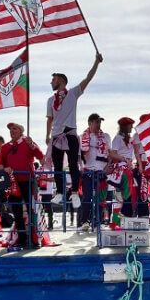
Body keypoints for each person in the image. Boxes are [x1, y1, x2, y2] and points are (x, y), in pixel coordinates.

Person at [46, 52, 103, 209]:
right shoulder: (51, 100)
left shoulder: (73, 93)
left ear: (61, 80)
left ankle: (74, 193)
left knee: (73, 164)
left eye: (54, 79)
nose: (51, 81)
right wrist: (47, 135)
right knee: (57, 165)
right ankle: (59, 192)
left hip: (70, 134)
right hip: (57, 136)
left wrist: (96, 63)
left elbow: (87, 79)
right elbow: (49, 119)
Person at [1, 122, 45, 249]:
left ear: (21, 131)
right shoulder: (5, 147)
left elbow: (40, 156)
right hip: (13, 182)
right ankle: (21, 238)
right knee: (17, 212)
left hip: (28, 180)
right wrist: (6, 169)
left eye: (15, 128)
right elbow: (2, 164)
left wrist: (32, 145)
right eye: (10, 129)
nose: (12, 131)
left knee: (32, 210)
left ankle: (35, 239)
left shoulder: (28, 142)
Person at [108, 117, 148, 217]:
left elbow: (136, 151)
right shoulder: (117, 138)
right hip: (122, 168)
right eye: (130, 125)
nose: (132, 127)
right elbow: (112, 154)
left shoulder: (130, 138)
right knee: (130, 188)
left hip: (129, 167)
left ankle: (131, 212)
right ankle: (125, 210)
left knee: (136, 187)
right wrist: (125, 159)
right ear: (125, 126)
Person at [78, 113, 111, 232]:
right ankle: (84, 222)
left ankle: (98, 222)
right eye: (96, 122)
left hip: (101, 173)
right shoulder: (82, 137)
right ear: (90, 123)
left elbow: (110, 154)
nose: (99, 124)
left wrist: (107, 168)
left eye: (100, 122)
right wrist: (80, 168)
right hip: (88, 172)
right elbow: (78, 156)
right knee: (87, 198)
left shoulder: (106, 136)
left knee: (101, 199)